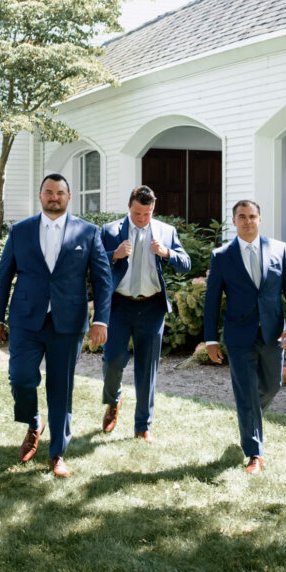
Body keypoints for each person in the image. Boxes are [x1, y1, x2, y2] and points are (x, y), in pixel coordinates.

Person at [0, 174, 113, 477]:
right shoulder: (20, 231)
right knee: (20, 378)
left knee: (61, 388)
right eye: (48, 192)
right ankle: (34, 423)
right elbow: (4, 276)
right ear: (40, 195)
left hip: (67, 323)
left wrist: (100, 320)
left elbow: (102, 279)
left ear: (69, 197)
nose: (54, 197)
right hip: (26, 320)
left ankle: (57, 453)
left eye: (59, 193)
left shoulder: (88, 232)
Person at [203, 199, 286, 474]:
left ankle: (249, 417)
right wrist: (211, 339)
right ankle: (254, 454)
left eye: (252, 216)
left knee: (272, 387)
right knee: (246, 391)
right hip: (239, 335)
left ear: (259, 219)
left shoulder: (279, 249)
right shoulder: (221, 256)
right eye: (242, 216)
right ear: (234, 221)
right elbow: (212, 301)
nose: (248, 221)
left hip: (273, 334)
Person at [100, 185, 191, 441]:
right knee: (112, 359)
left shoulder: (166, 231)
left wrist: (167, 253)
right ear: (129, 207)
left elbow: (186, 264)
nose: (142, 218)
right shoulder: (110, 231)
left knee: (147, 368)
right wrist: (114, 255)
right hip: (119, 306)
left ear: (153, 208)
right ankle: (113, 400)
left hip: (152, 307)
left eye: (147, 213)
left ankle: (142, 426)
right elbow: (92, 263)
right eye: (137, 213)